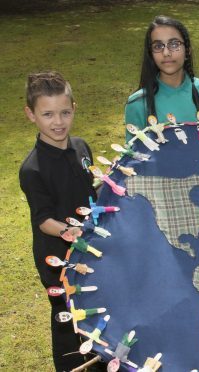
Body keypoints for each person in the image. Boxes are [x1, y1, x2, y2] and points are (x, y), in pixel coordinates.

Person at [19, 71, 98, 371]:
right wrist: (73, 231)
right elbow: (43, 220)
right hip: (58, 258)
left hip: (89, 248)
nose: (58, 122)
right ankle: (70, 365)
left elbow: (88, 190)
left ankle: (101, 360)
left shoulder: (81, 148)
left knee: (95, 305)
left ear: (74, 108)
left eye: (65, 112)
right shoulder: (32, 169)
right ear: (31, 115)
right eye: (48, 114)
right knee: (68, 317)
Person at [125, 15, 199, 142]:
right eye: (158, 46)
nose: (166, 53)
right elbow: (134, 153)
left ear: (188, 51)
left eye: (174, 44)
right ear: (151, 54)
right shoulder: (137, 103)